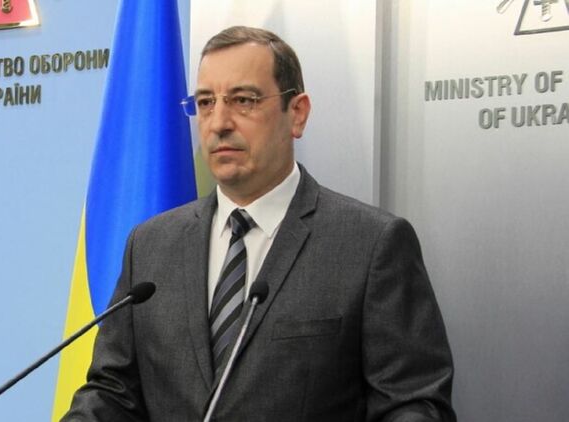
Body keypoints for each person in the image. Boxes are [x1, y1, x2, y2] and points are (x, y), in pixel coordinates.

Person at [64, 26, 456, 421]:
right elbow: (114, 392)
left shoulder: (370, 245)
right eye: (205, 102)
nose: (219, 123)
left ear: (297, 113)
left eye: (243, 100)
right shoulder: (151, 246)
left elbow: (413, 404)